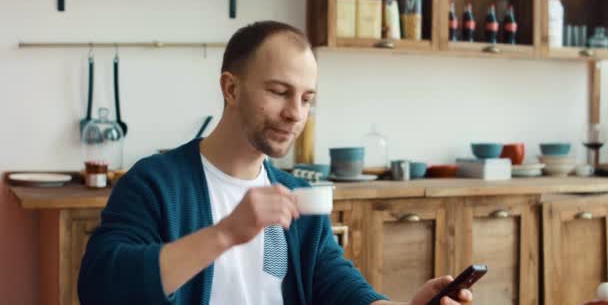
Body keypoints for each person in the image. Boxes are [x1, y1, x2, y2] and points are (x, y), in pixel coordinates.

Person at [78, 21, 473, 305]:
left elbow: (335, 284)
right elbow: (100, 285)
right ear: (230, 88)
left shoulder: (298, 196)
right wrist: (226, 233)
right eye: (280, 92)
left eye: (306, 99)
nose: (295, 114)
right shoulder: (155, 183)